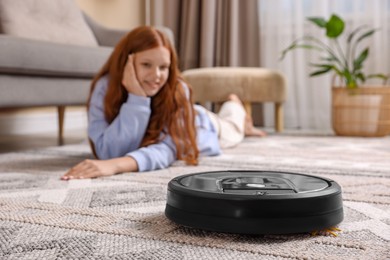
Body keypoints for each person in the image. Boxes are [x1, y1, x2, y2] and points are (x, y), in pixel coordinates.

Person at [61, 26, 265, 180]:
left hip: (202, 126)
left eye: (164, 67)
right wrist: (137, 99)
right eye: (146, 65)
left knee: (233, 126)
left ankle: (236, 106)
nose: (157, 76)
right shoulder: (104, 87)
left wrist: (116, 166)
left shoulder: (177, 90)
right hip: (186, 115)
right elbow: (108, 151)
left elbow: (167, 150)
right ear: (126, 62)